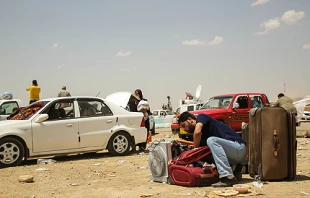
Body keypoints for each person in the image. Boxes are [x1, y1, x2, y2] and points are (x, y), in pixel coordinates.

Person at [178, 111, 247, 187]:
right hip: (233, 154)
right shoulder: (204, 137)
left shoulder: (201, 117)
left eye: (184, 125)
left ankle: (228, 177)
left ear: (190, 119)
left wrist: (195, 148)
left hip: (238, 147)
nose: (185, 129)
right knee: (203, 154)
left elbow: (197, 132)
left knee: (211, 140)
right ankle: (235, 169)